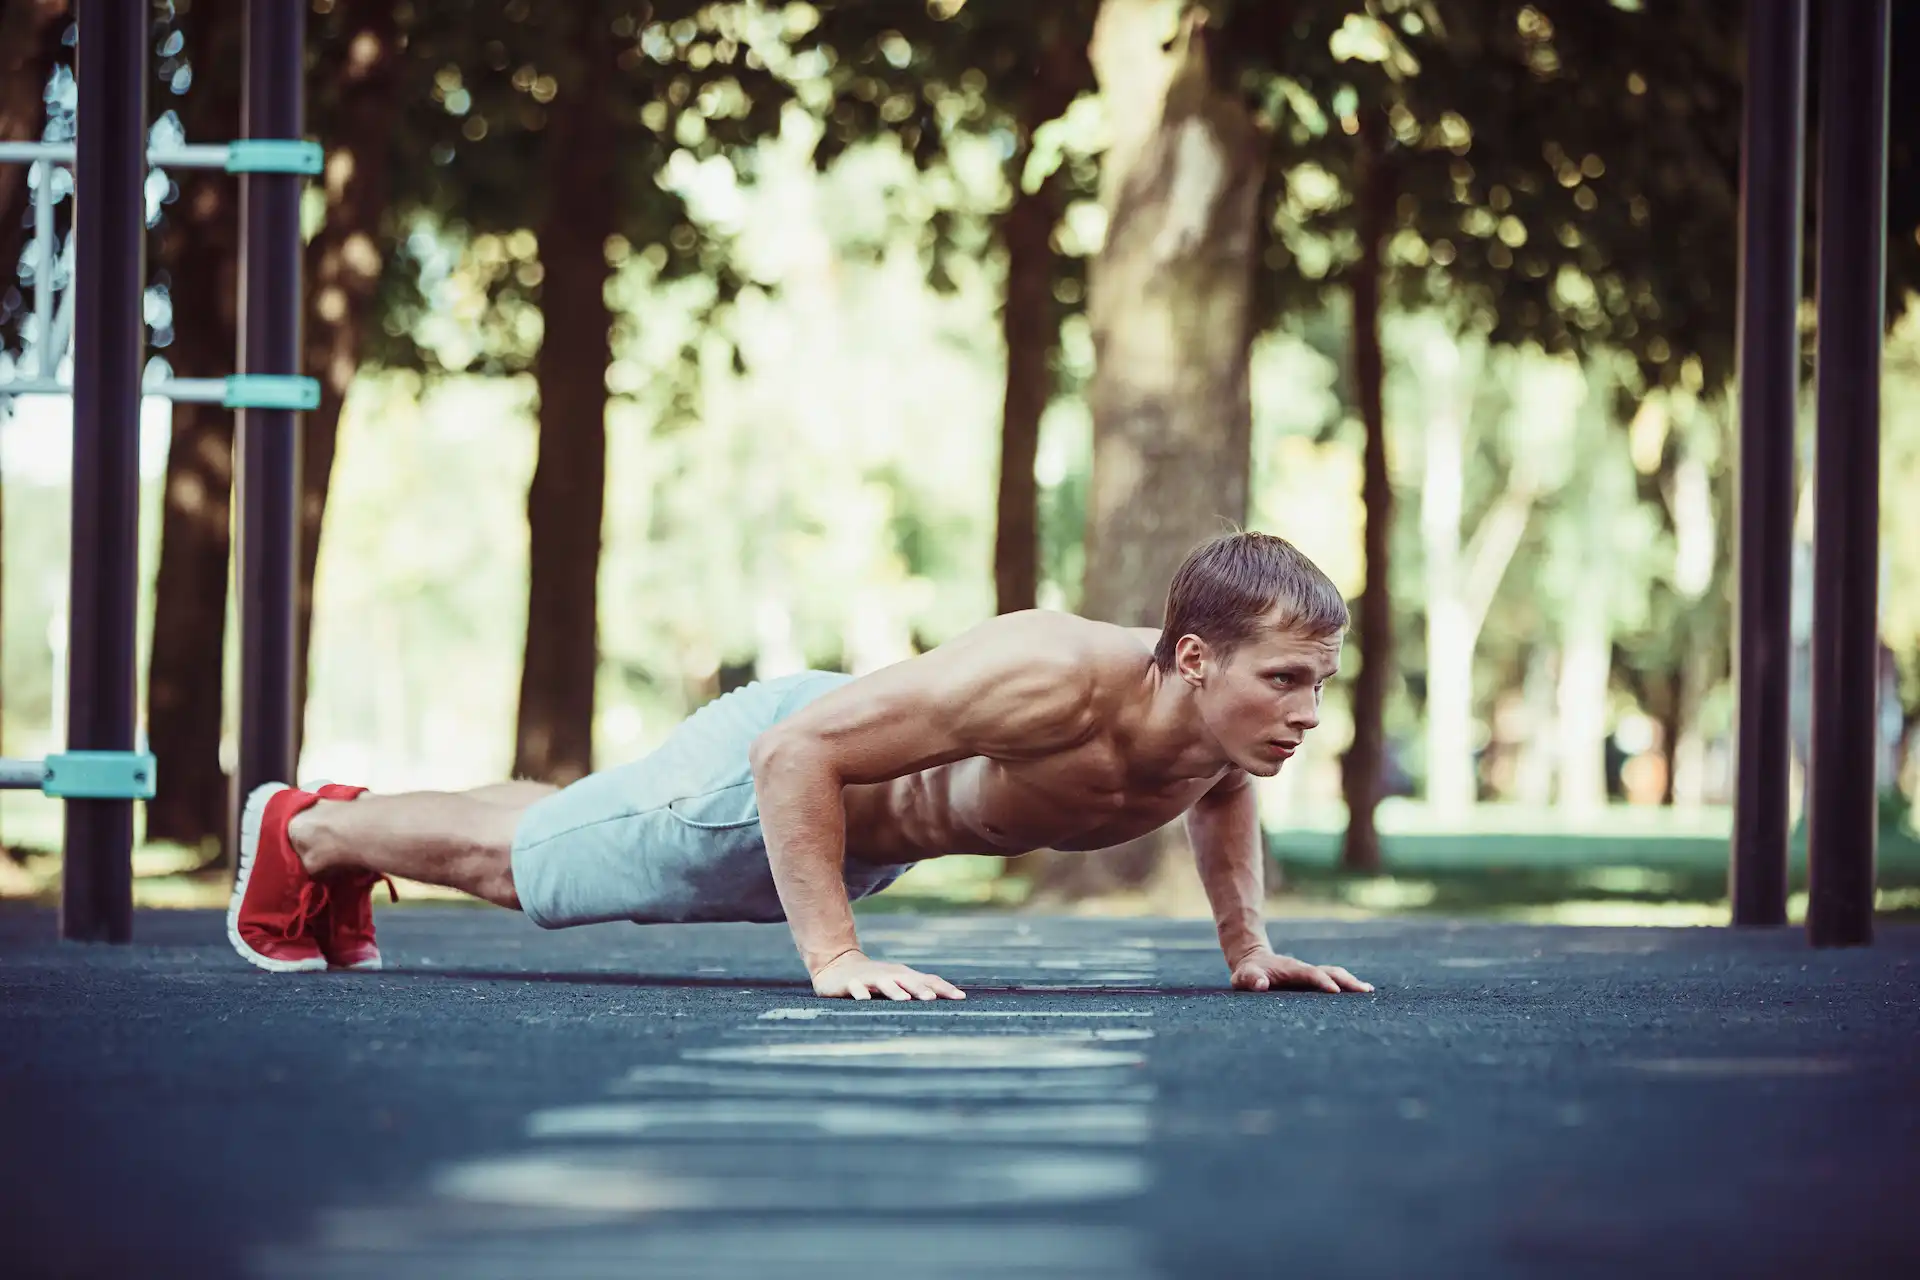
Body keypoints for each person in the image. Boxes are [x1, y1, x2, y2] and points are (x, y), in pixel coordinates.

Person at [226, 532, 1373, 1000]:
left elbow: (1220, 800)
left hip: (849, 822)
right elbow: (796, 751)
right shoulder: (1052, 672)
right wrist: (832, 953)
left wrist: (1248, 945)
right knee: (531, 868)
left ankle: (345, 819)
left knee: (575, 820)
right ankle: (305, 834)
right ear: (1189, 656)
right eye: (1284, 679)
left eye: (1318, 680)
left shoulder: (1215, 734)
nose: (1307, 711)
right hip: (780, 777)